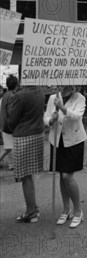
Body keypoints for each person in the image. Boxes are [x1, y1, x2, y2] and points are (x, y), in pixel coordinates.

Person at [43, 85, 86, 228]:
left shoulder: (80, 98)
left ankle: (78, 211)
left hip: (73, 141)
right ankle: (66, 209)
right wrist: (50, 120)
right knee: (61, 176)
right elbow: (46, 116)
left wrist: (62, 108)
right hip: (56, 140)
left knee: (67, 176)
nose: (67, 86)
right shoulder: (52, 97)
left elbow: (76, 116)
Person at [8, 85, 45, 223]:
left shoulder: (20, 94)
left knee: (25, 175)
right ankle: (33, 207)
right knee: (29, 174)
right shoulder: (40, 90)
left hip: (23, 135)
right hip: (38, 133)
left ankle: (31, 211)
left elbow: (12, 119)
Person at [0, 75, 20, 170]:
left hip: (4, 125)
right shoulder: (13, 96)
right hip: (10, 126)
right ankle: (14, 166)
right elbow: (13, 113)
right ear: (16, 85)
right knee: (12, 147)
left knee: (8, 148)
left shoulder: (4, 96)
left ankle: (12, 165)